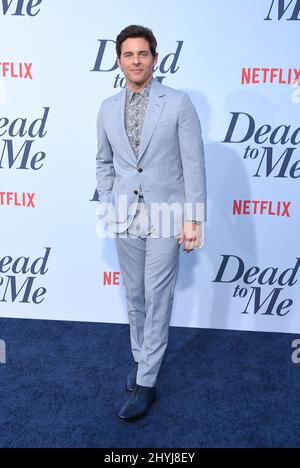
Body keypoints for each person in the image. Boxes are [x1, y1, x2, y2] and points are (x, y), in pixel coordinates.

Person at [96, 25, 207, 422]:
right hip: (126, 214)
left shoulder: (178, 103)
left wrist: (193, 219)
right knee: (135, 295)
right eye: (129, 55)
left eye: (143, 54)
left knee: (158, 297)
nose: (136, 61)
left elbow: (193, 165)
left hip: (167, 215)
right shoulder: (107, 107)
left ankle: (147, 381)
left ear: (155, 59)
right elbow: (104, 162)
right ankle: (142, 358)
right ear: (119, 61)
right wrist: (109, 202)